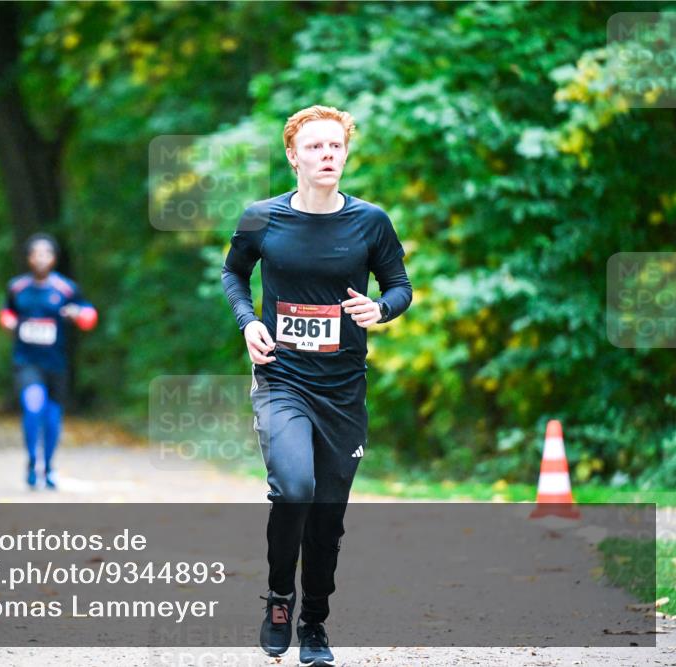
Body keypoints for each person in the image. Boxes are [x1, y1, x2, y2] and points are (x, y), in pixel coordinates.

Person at [221, 105, 413, 667]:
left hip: (343, 389)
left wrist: (381, 309)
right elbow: (234, 273)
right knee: (294, 488)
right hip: (282, 378)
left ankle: (315, 622)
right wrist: (248, 322)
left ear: (345, 154)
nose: (326, 155)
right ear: (293, 156)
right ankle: (280, 598)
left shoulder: (371, 222)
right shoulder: (260, 218)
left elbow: (399, 286)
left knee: (327, 517)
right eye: (314, 147)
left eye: (335, 146)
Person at [0, 233, 98, 490]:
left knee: (52, 418)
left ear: (53, 258)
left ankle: (49, 467)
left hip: (56, 363)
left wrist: (77, 313)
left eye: (46, 254)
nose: (41, 259)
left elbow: (89, 315)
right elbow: (6, 311)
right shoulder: (17, 288)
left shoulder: (66, 289)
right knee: (33, 406)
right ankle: (33, 462)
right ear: (29, 258)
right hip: (26, 361)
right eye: (36, 254)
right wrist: (8, 321)